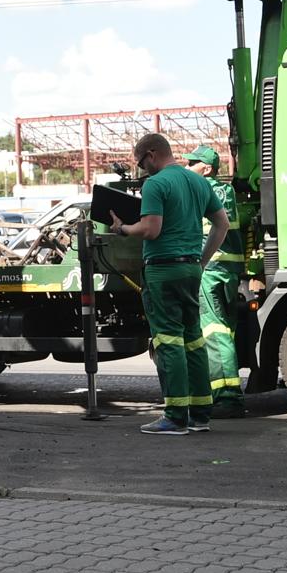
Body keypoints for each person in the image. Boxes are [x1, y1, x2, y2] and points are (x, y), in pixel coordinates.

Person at [108, 132, 230, 436]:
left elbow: (151, 229)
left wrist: (122, 228)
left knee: (169, 341)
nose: (142, 170)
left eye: (141, 163)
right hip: (190, 268)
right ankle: (200, 415)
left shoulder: (156, 184)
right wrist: (201, 261)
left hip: (163, 270)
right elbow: (222, 224)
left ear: (151, 154)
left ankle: (175, 417)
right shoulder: (199, 182)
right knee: (193, 339)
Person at [185, 145, 248, 419]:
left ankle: (227, 397)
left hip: (210, 268)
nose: (187, 167)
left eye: (192, 163)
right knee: (225, 330)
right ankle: (225, 392)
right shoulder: (228, 192)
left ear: (207, 169)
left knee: (213, 331)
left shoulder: (200, 190)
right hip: (229, 270)